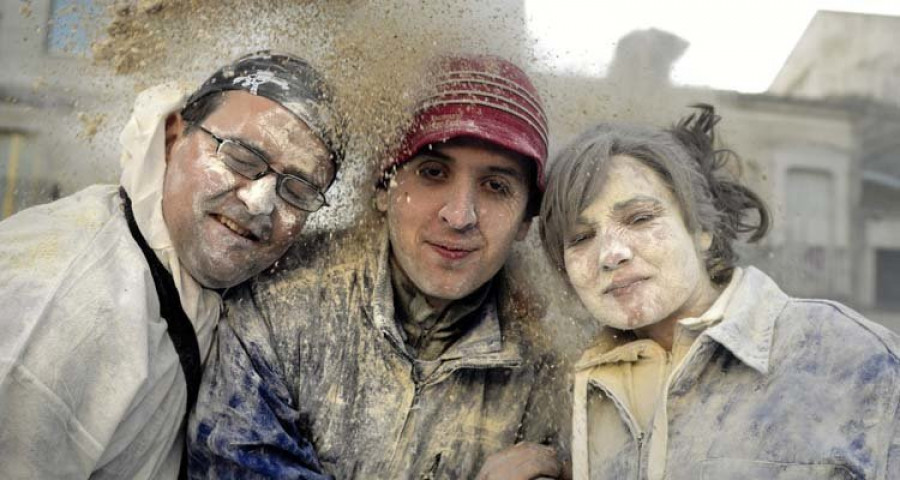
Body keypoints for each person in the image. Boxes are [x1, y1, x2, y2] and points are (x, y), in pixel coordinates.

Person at [188, 55, 570, 479]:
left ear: (525, 221)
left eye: (496, 186)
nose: (460, 216)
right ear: (384, 187)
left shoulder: (549, 371)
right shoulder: (280, 305)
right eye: (432, 171)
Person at [0, 51, 343, 479]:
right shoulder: (59, 313)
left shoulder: (187, 277)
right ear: (172, 136)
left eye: (298, 190)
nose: (260, 204)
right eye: (240, 157)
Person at [539, 105, 900, 479]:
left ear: (701, 230)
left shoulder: (850, 357)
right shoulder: (566, 391)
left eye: (640, 218)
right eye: (580, 238)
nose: (611, 254)